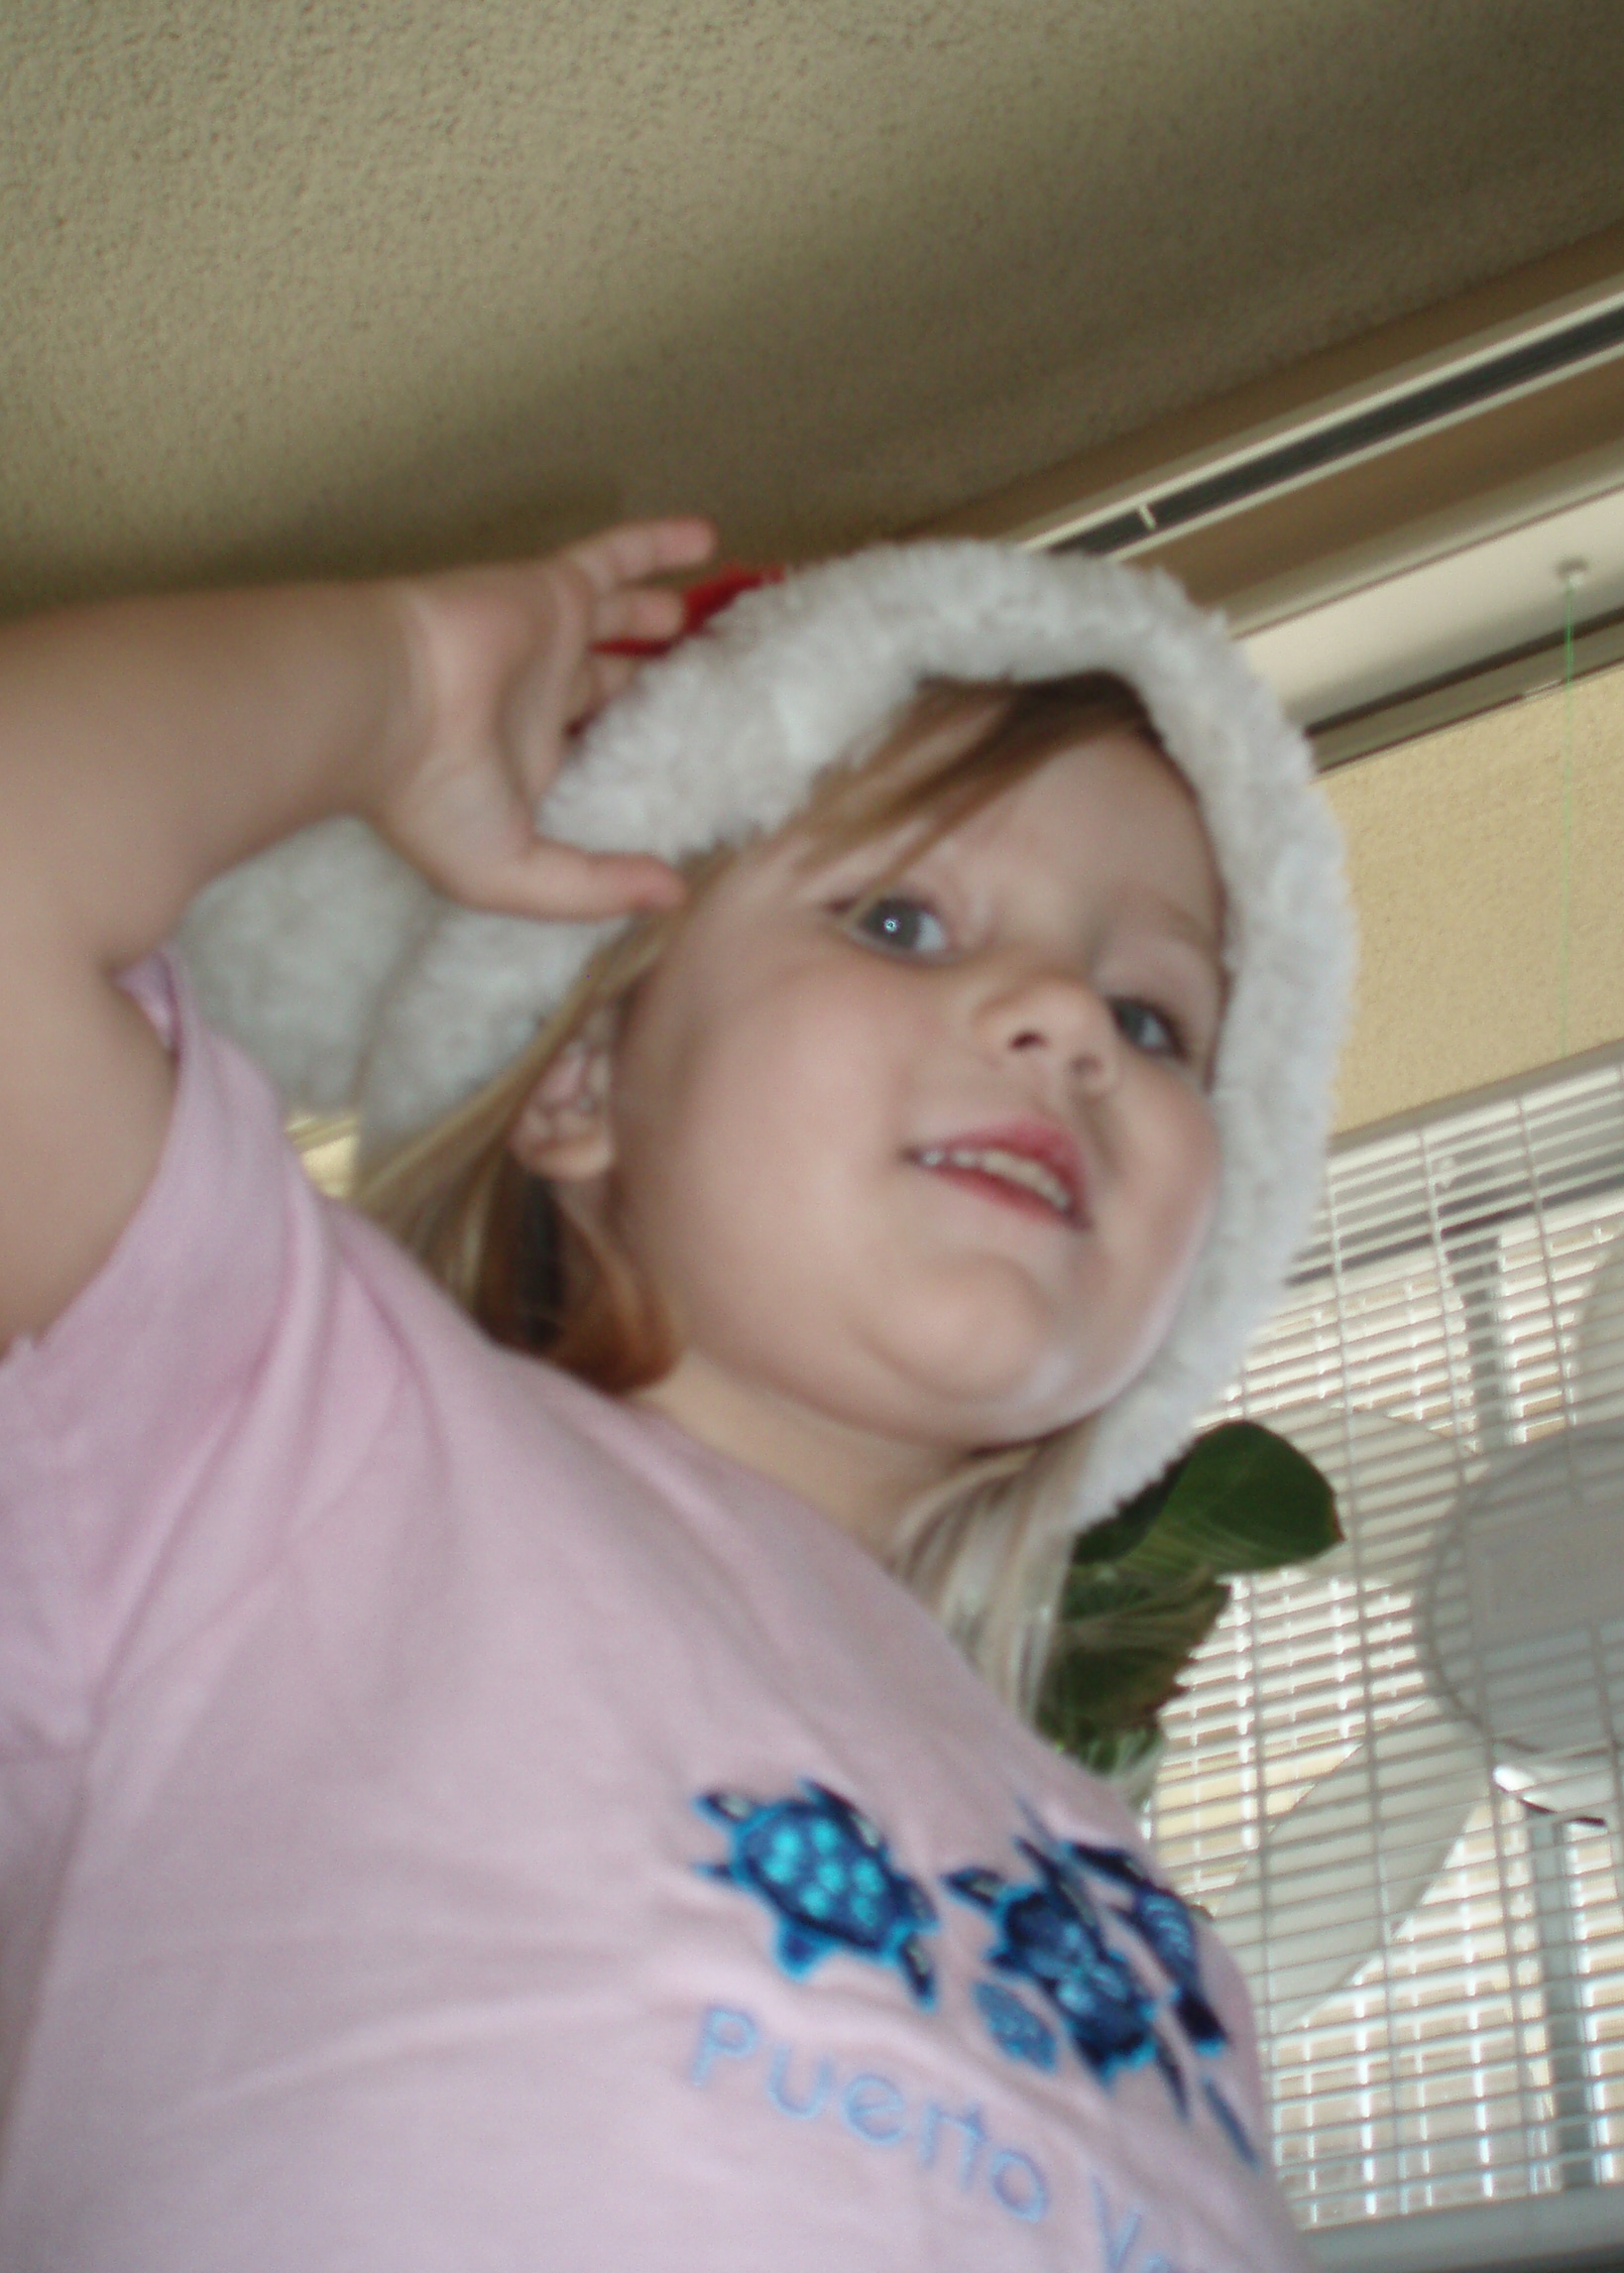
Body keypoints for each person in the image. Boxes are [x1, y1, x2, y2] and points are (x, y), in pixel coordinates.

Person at [0, 518, 1349, 2272]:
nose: (1065, 1024)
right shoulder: (308, 1418)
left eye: (1155, 1021)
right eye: (901, 921)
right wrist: (396, 681)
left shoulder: (1152, 1927)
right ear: (579, 1075)